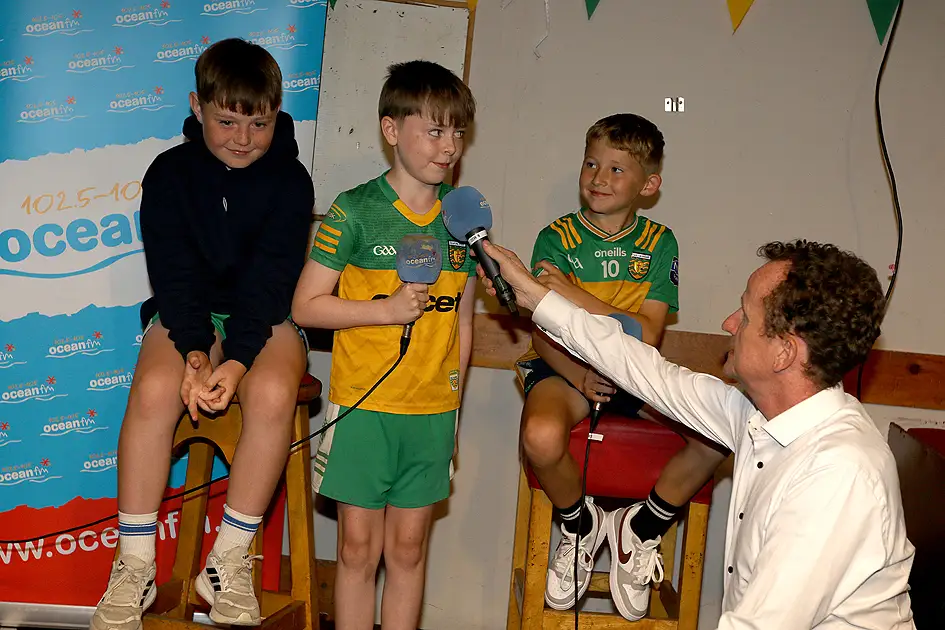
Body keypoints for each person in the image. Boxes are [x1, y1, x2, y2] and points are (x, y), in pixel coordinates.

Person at [479, 238, 916, 629]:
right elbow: (643, 369)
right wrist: (532, 294)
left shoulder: (838, 473)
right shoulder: (757, 415)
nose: (728, 324)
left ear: (784, 352)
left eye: (744, 316)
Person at [90, 38, 314, 630]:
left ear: (276, 114)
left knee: (269, 393)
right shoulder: (168, 174)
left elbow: (271, 282)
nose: (243, 138)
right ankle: (135, 562)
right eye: (227, 121)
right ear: (196, 106)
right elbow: (173, 272)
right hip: (189, 311)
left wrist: (236, 361)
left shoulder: (291, 180)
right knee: (157, 389)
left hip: (263, 317)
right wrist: (194, 350)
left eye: (258, 123)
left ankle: (228, 559)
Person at [516, 113, 728, 617]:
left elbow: (646, 334)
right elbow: (544, 329)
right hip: (565, 369)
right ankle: (580, 526)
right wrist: (577, 374)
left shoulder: (660, 243)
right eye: (592, 163)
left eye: (616, 169)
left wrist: (570, 292)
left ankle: (641, 529)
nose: (598, 178)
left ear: (648, 185)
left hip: (637, 373)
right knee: (541, 436)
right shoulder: (556, 237)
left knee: (718, 435)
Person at [291, 60, 477, 630]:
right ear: (391, 129)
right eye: (435, 130)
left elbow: (463, 321)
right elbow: (306, 306)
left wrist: (454, 401)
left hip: (431, 412)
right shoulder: (355, 210)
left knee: (409, 551)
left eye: (458, 133)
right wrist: (384, 311)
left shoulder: (464, 218)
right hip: (363, 409)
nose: (448, 147)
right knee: (356, 551)